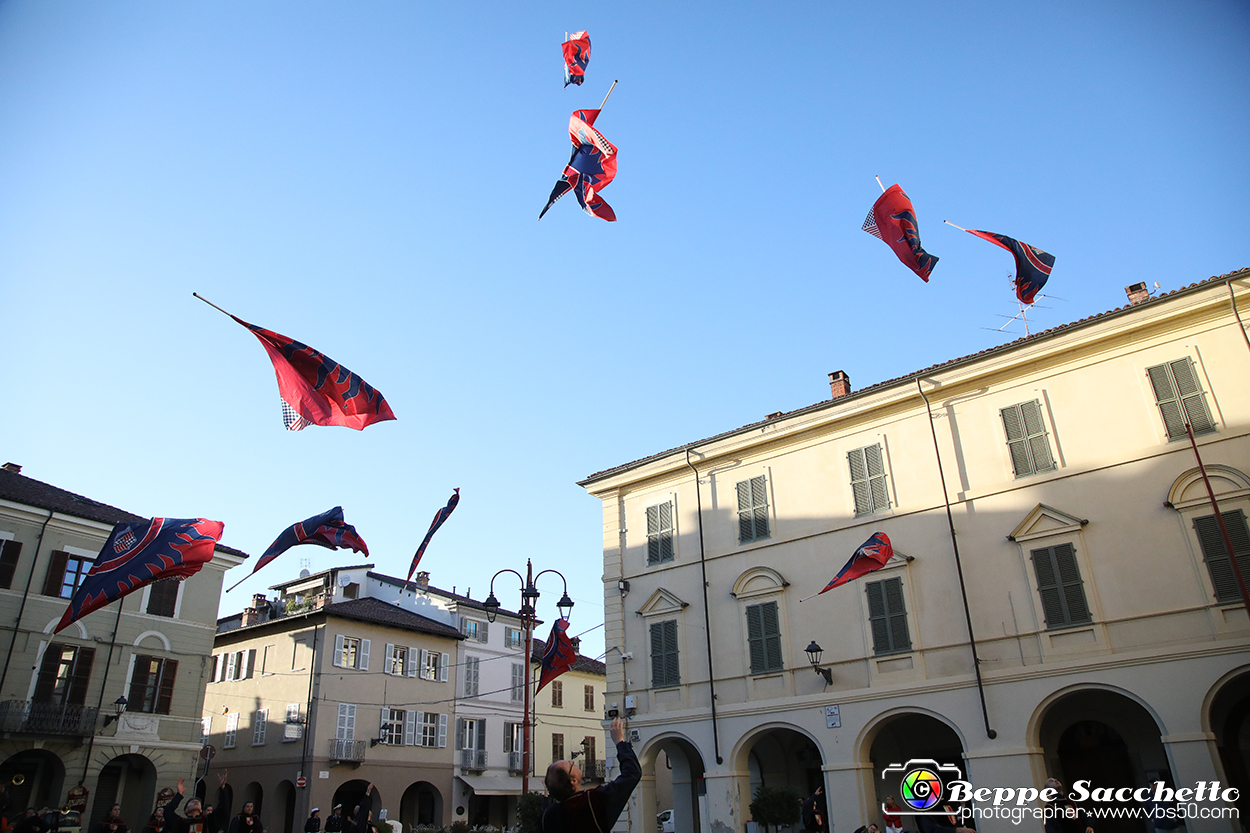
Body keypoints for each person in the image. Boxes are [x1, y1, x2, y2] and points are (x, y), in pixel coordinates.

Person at [541, 717, 640, 833]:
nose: (574, 763)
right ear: (572, 781)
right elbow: (632, 774)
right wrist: (620, 742)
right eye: (571, 764)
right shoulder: (593, 801)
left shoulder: (549, 816)